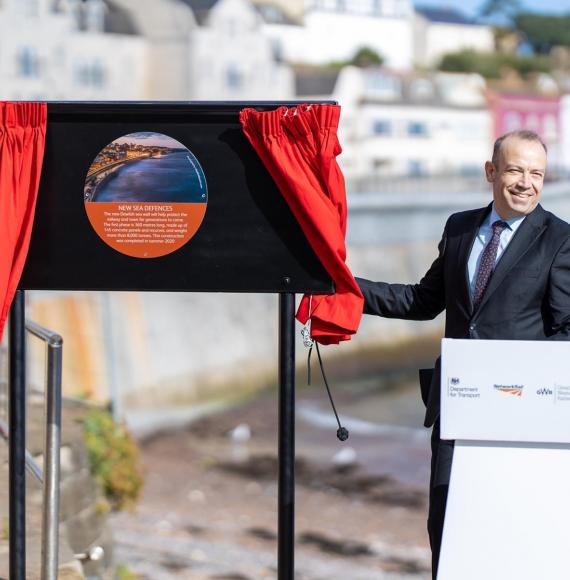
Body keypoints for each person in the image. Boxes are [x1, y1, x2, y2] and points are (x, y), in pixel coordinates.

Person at [355, 130, 570, 579]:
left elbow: (566, 331)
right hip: (457, 406)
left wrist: (517, 380)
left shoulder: (560, 240)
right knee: (447, 525)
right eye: (515, 170)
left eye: (536, 173)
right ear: (491, 172)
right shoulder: (459, 227)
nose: (526, 183)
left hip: (519, 413)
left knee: (512, 529)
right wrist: (344, 287)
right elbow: (421, 301)